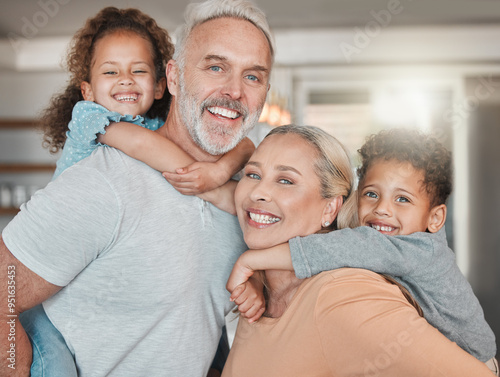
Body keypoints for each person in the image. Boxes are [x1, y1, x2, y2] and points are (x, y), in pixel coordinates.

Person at [0, 0, 274, 375]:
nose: (235, 91)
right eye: (215, 67)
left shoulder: (248, 202)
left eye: (253, 76)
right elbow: (4, 288)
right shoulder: (103, 180)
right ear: (174, 78)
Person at [221, 124, 495, 376]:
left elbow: (352, 246)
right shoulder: (265, 293)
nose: (383, 209)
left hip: (476, 357)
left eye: (285, 181)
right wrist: (209, 180)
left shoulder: (353, 289)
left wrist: (250, 261)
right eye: (253, 175)